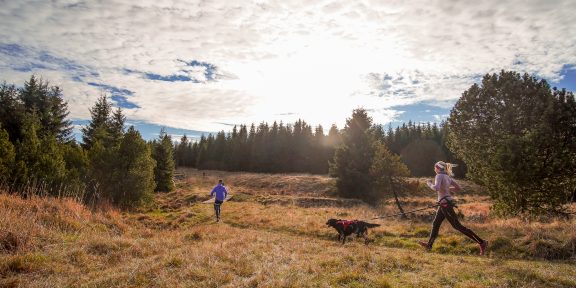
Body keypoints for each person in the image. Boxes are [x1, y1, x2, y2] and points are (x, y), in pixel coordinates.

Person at [419, 161, 488, 255]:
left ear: (437, 168)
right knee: (436, 223)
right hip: (444, 204)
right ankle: (429, 245)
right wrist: (447, 189)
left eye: (435, 167)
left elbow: (436, 188)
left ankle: (482, 242)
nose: (434, 169)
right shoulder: (447, 177)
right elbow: (458, 188)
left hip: (445, 205)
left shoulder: (439, 175)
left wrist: (429, 183)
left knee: (457, 226)